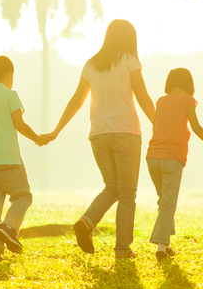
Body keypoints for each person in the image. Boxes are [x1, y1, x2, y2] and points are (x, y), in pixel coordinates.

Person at [41, 20, 156, 259]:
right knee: (126, 193)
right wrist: (160, 125)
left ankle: (86, 222)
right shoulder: (130, 60)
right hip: (126, 133)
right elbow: (143, 96)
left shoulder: (91, 64)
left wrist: (56, 130)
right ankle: (122, 249)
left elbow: (76, 101)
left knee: (112, 188)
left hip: (98, 136)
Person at [0, 55, 47, 262]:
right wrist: (38, 138)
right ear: (9, 75)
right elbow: (19, 124)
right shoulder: (11, 95)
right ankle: (9, 226)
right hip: (9, 160)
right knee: (23, 196)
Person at [146, 67, 203, 261]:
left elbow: (156, 126)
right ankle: (161, 247)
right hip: (172, 158)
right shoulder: (188, 101)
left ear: (169, 83)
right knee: (168, 204)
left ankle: (166, 244)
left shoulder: (161, 101)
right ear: (189, 85)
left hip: (152, 157)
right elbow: (195, 126)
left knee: (164, 200)